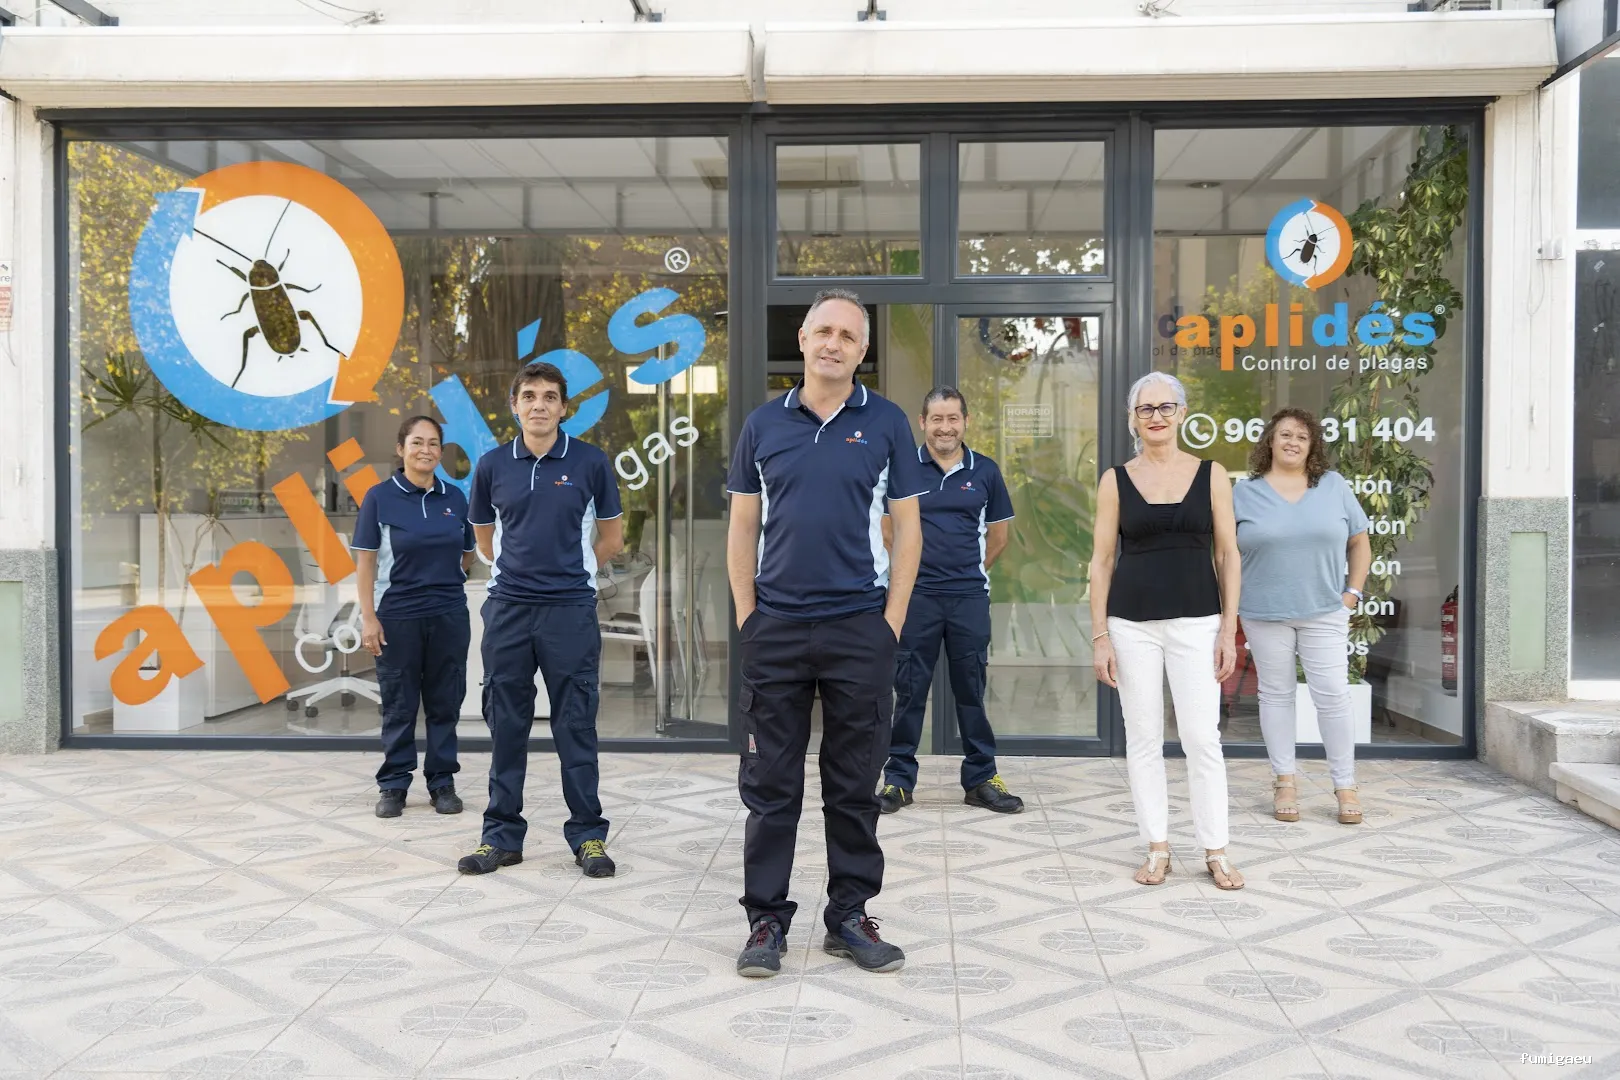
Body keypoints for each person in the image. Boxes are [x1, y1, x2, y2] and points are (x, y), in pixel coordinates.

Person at [726, 288, 929, 978]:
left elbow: (908, 530)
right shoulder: (762, 425)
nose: (833, 343)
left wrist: (890, 624)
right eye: (823, 331)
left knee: (854, 785)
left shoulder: (887, 423)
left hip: (858, 629)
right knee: (770, 786)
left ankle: (848, 916)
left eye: (847, 335)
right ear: (804, 340)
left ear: (862, 351)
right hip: (777, 629)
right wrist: (748, 617)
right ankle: (765, 921)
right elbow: (743, 527)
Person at [457, 360, 624, 879]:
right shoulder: (491, 466)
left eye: (550, 397)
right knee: (507, 727)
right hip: (508, 610)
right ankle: (500, 837)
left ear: (564, 408)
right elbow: (484, 539)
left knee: (575, 726)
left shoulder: (591, 462)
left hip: (570, 610)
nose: (539, 405)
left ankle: (588, 837)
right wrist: (519, 573)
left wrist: (573, 574)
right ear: (515, 406)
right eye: (529, 396)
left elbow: (612, 537)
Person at [1088, 372, 1245, 890]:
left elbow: (1228, 554)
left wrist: (1227, 628)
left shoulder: (1212, 475)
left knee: (1202, 739)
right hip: (1130, 625)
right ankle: (1157, 846)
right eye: (1145, 409)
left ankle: (1216, 849)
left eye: (1165, 407)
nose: (1155, 416)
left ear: (1181, 413)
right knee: (1143, 739)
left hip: (1198, 622)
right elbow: (1101, 561)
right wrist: (1100, 636)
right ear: (1133, 419)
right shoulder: (1115, 480)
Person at [878, 387, 1023, 815]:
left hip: (968, 599)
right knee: (908, 692)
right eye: (937, 419)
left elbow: (999, 537)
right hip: (916, 597)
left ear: (965, 421)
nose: (945, 427)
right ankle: (898, 781)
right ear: (923, 422)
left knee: (971, 692)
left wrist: (966, 570)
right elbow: (888, 530)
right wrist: (910, 574)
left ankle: (981, 779)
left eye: (953, 418)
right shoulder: (902, 469)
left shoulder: (985, 471)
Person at [1233, 408, 1371, 826]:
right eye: (1285, 434)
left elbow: (1360, 542)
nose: (1292, 442)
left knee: (1332, 695)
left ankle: (1345, 785)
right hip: (1263, 612)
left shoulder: (1333, 486)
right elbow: (1225, 553)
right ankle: (1284, 782)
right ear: (1269, 441)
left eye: (1302, 436)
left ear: (1312, 446)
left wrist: (1352, 594)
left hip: (1325, 611)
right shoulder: (1244, 492)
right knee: (1276, 695)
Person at [354, 415, 476, 819]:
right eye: (417, 442)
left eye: (434, 443)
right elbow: (366, 563)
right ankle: (394, 784)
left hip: (448, 614)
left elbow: (467, 552)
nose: (426, 450)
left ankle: (442, 782)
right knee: (399, 704)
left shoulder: (454, 498)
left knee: (445, 702)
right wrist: (368, 618)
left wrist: (446, 578)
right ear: (401, 449)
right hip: (397, 616)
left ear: (441, 451)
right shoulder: (379, 497)